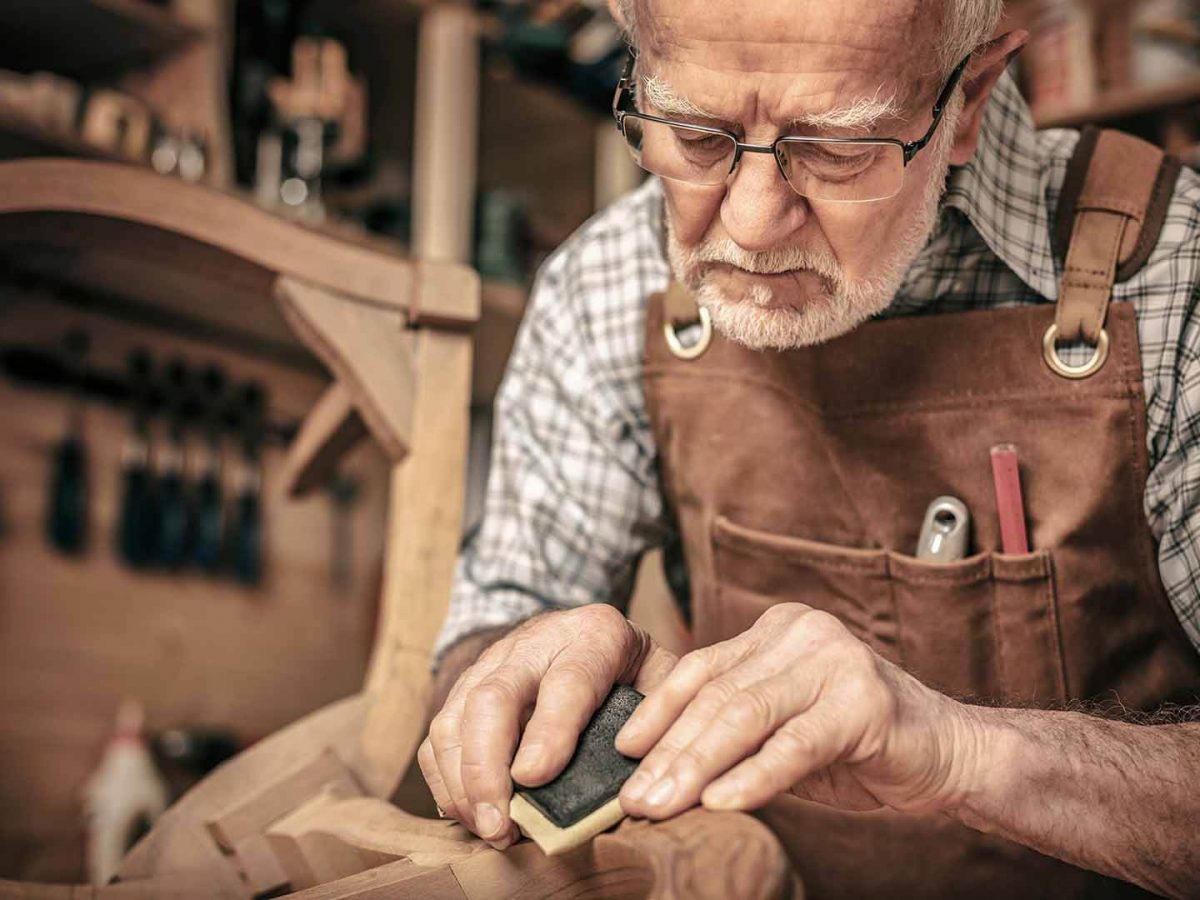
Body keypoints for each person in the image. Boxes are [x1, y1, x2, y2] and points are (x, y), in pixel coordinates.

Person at [418, 0, 1200, 895]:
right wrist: (505, 676)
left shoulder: (1177, 278)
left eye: (832, 150)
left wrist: (964, 754)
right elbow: (479, 642)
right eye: (697, 134)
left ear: (970, 98)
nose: (749, 225)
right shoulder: (609, 287)